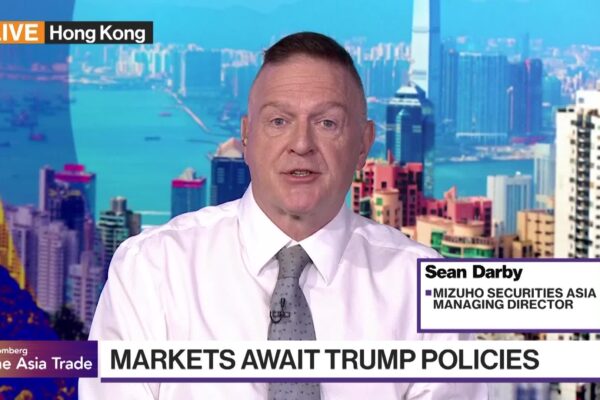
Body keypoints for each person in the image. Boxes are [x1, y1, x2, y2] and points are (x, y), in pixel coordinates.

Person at [79, 32, 487, 399]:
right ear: (246, 136)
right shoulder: (152, 270)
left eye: (327, 123)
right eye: (279, 121)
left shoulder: (424, 289)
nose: (301, 144)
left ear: (363, 144)